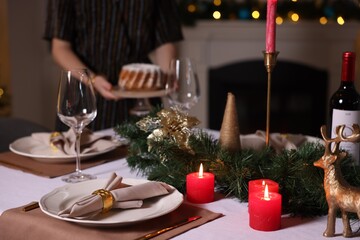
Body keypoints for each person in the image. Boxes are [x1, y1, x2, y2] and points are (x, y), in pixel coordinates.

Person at [44, 0, 184, 130]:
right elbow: (60, 48)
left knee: (147, 150)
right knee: (88, 151)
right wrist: (92, 80)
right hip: (86, 91)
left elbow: (165, 39)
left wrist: (167, 75)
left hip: (142, 92)